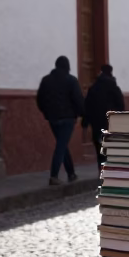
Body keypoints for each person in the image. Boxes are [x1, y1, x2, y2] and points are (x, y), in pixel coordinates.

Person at [36, 55, 83, 185]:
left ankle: (71, 173)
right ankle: (54, 175)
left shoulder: (46, 80)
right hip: (67, 118)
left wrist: (46, 113)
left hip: (53, 118)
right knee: (61, 145)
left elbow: (40, 99)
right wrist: (80, 114)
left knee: (62, 145)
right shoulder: (71, 80)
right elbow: (78, 100)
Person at [82, 64, 125, 163]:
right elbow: (120, 104)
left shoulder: (94, 87)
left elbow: (88, 105)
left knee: (99, 146)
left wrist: (85, 123)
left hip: (96, 122)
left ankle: (101, 167)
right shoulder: (114, 86)